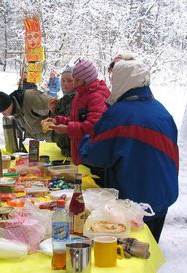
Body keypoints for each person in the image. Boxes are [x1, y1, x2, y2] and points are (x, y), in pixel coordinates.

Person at [79, 60, 179, 242]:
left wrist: (85, 139)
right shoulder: (160, 109)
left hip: (134, 200)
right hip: (163, 193)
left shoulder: (120, 113)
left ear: (121, 81)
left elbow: (94, 155)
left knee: (131, 253)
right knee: (149, 247)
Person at [43, 59, 109, 186]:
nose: (74, 84)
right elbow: (76, 120)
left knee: (93, 190)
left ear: (87, 79)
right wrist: (58, 120)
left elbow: (93, 126)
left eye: (76, 80)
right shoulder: (81, 93)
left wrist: (67, 129)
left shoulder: (96, 96)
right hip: (81, 150)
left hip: (93, 154)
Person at [50, 65, 76, 157]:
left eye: (69, 80)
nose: (65, 84)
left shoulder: (79, 100)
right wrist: (53, 110)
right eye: (63, 80)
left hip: (75, 152)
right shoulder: (63, 99)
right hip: (64, 150)